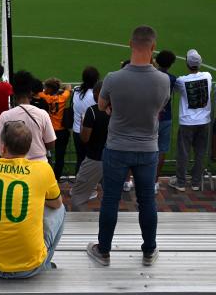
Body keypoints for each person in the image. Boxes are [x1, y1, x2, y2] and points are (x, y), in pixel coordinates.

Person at [87, 26, 169, 267]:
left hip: (117, 147)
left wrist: (115, 108)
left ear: (130, 44)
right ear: (153, 47)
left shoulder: (114, 78)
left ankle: (104, 250)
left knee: (110, 199)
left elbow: (101, 106)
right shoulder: (163, 80)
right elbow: (159, 108)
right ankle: (149, 249)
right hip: (147, 149)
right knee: (147, 201)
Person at [0, 121, 65, 278]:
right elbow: (56, 203)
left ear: (3, 147)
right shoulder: (43, 169)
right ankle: (45, 262)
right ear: (28, 147)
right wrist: (38, 196)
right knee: (60, 209)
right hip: (30, 268)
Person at [168, 49, 212, 192]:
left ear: (187, 63)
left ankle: (180, 182)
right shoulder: (207, 76)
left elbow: (174, 88)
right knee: (200, 152)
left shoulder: (182, 81)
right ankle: (196, 182)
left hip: (187, 122)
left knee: (183, 152)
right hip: (204, 121)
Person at [0, 71, 56, 162]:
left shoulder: (5, 116)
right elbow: (50, 144)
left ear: (13, 91)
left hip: (14, 167)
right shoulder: (42, 114)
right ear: (31, 92)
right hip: (38, 165)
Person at [69, 82, 109, 211]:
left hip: (95, 158)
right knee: (111, 196)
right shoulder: (119, 110)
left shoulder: (93, 111)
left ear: (98, 94)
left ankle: (82, 225)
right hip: (115, 158)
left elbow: (85, 138)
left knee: (77, 196)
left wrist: (81, 125)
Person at [39, 78, 72, 180]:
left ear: (49, 88)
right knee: (60, 156)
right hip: (61, 131)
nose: (44, 89)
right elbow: (69, 87)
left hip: (48, 131)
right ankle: (56, 178)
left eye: (46, 87)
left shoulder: (44, 97)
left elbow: (40, 92)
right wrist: (63, 89)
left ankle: (45, 175)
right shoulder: (63, 97)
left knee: (42, 153)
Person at [154, 50, 176, 193]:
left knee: (142, 147)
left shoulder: (151, 76)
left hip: (150, 117)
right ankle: (154, 182)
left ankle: (130, 180)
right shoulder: (173, 79)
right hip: (166, 117)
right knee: (161, 149)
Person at [72, 66, 100, 175]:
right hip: (91, 132)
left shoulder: (76, 91)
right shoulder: (96, 96)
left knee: (80, 159)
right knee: (92, 160)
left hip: (77, 131)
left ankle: (78, 184)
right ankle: (90, 187)